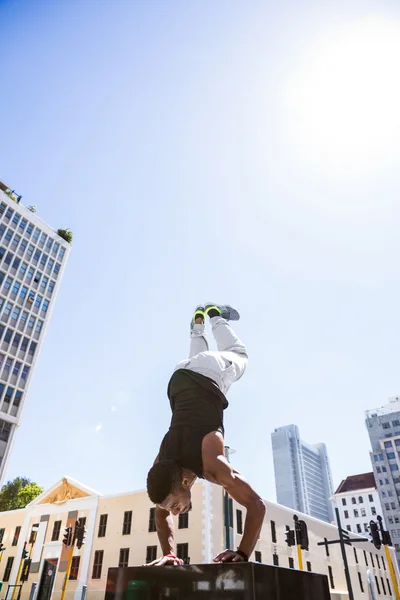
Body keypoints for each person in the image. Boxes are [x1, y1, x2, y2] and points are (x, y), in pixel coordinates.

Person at [146, 303, 266, 566]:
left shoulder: (212, 466)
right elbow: (160, 515)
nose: (175, 512)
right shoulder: (164, 468)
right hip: (179, 378)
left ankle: (214, 317)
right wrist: (169, 553)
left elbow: (257, 505)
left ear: (186, 483)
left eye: (175, 505)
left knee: (238, 353)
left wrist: (242, 553)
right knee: (199, 361)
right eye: (172, 508)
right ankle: (197, 326)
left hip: (209, 374)